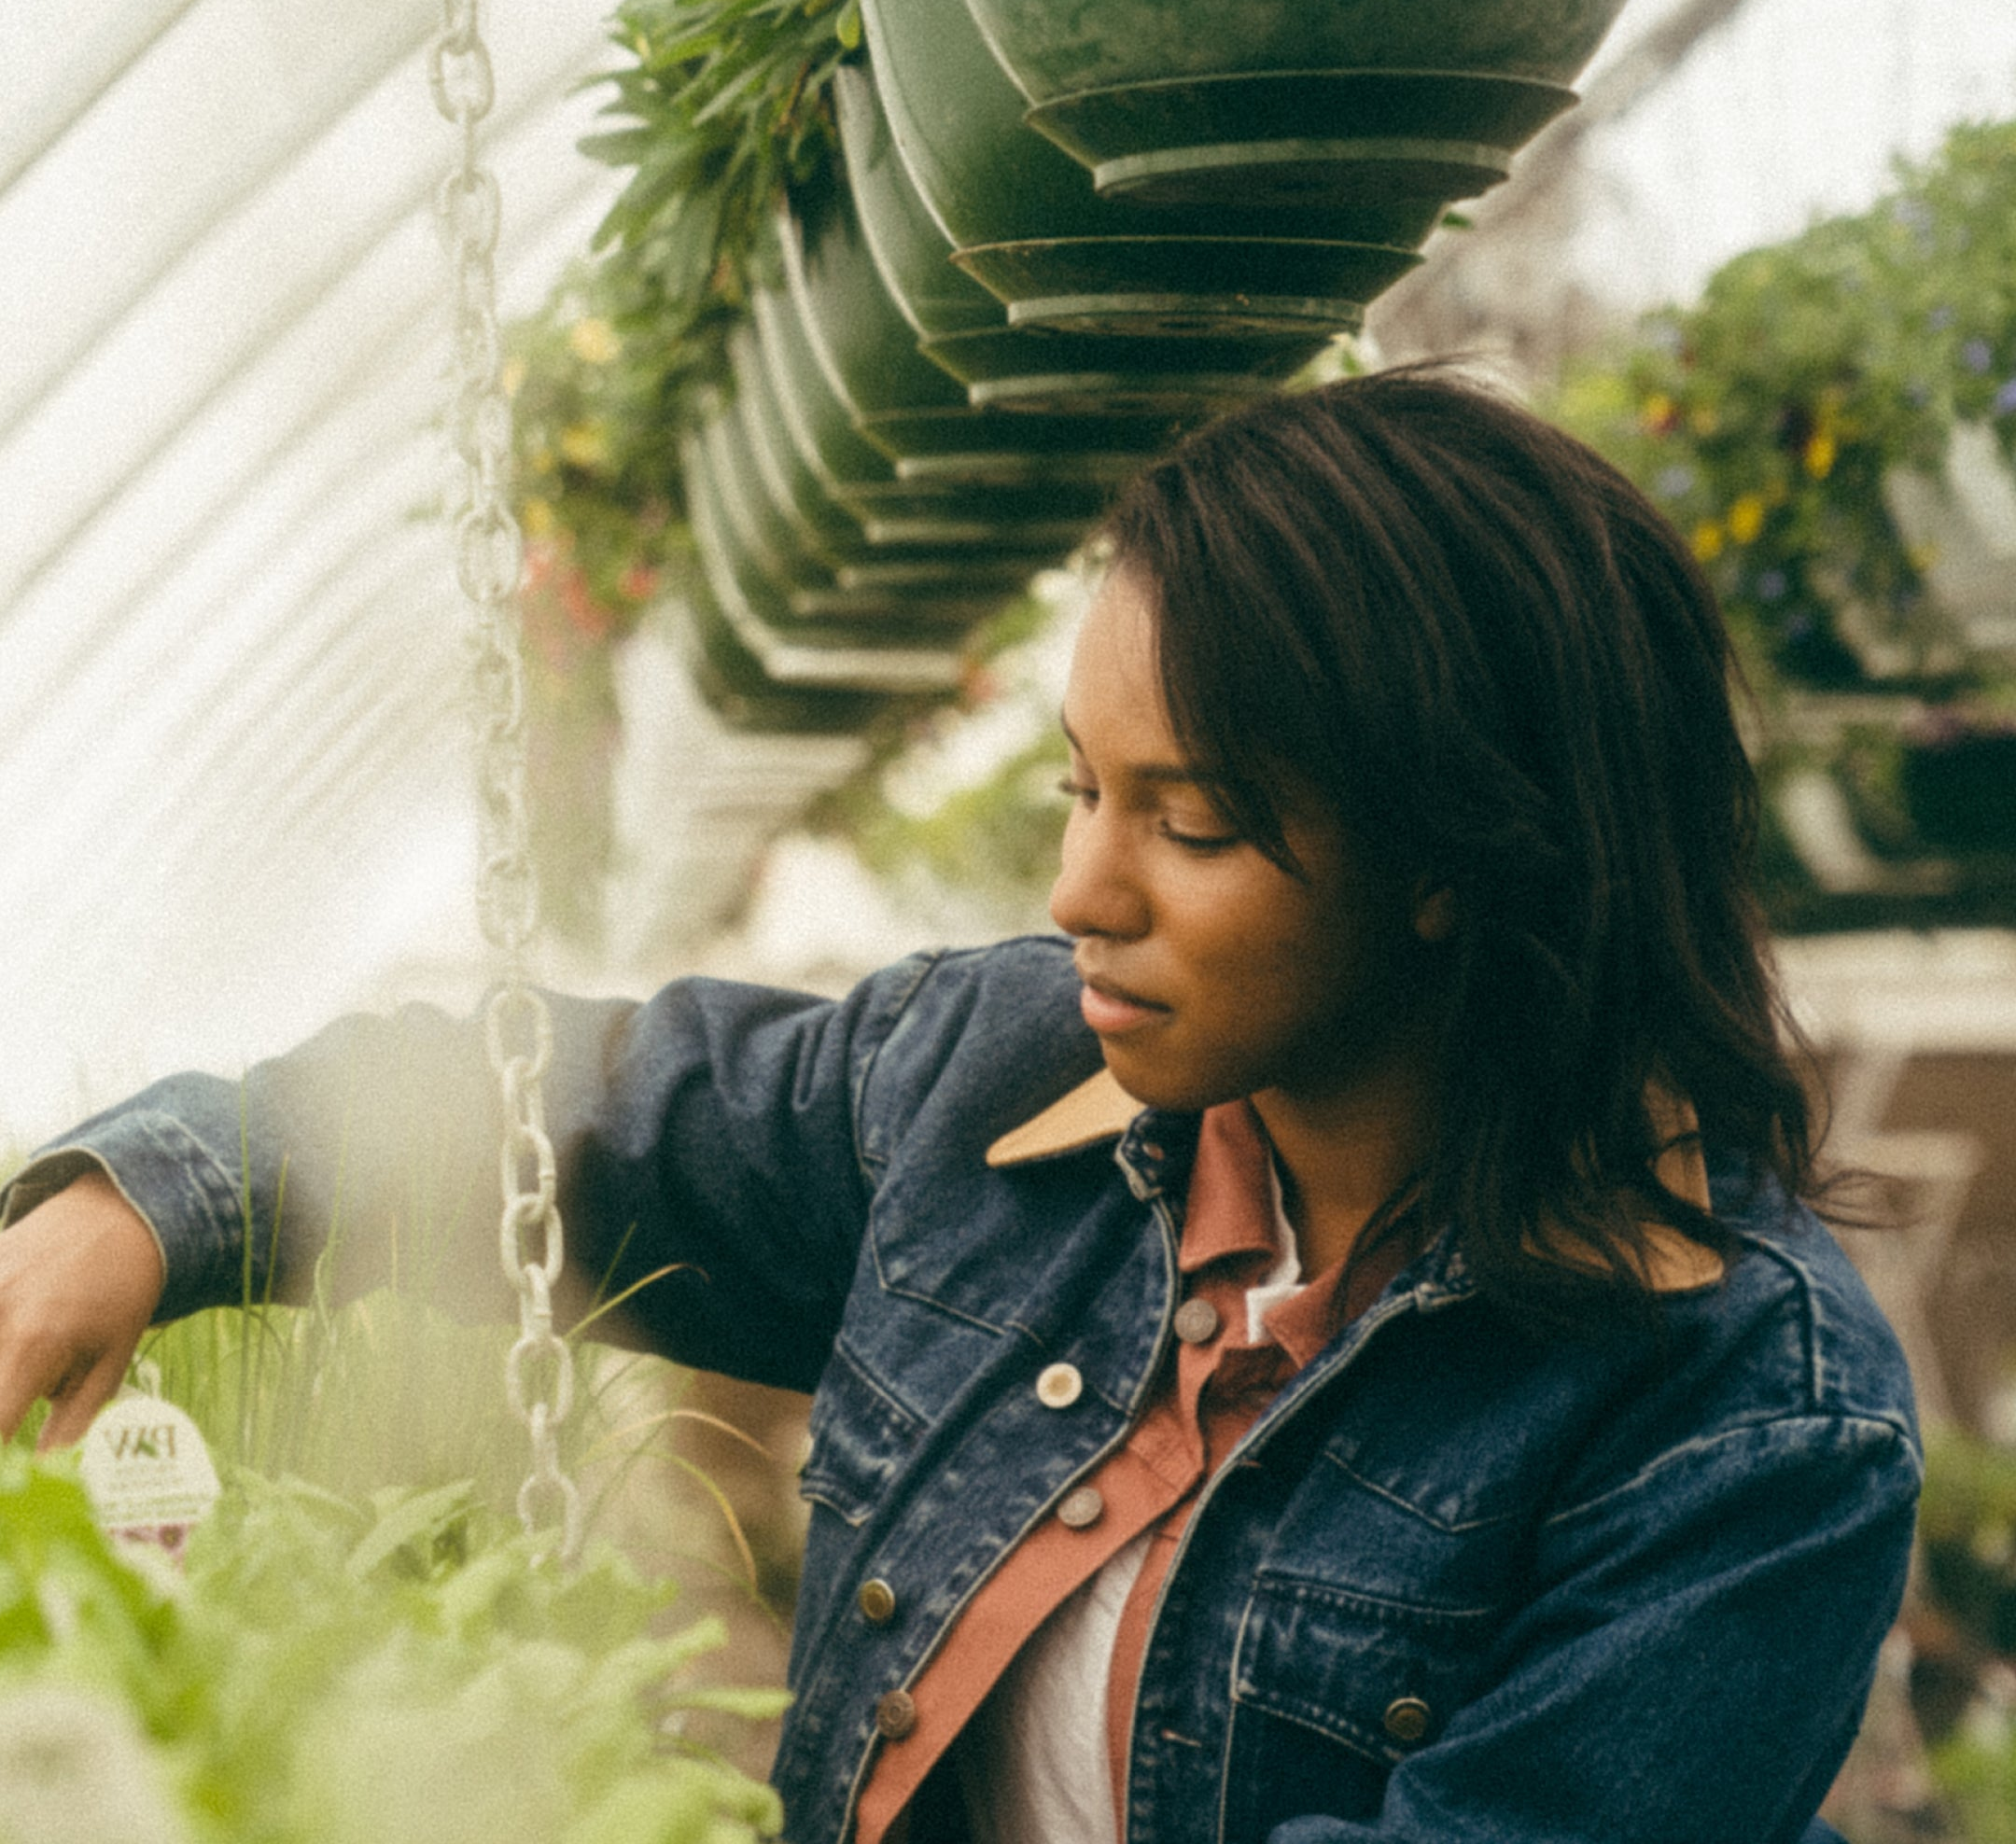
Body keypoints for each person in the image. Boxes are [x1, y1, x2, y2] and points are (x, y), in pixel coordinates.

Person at [0, 369, 1917, 1844]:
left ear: (1455, 857)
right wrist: (152, 1203)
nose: (1084, 890)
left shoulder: (1741, 1416)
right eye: (1085, 791)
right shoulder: (1005, 1085)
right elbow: (560, 1111)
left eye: (1196, 825)